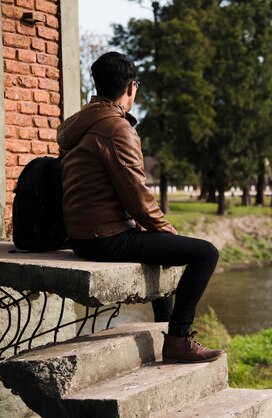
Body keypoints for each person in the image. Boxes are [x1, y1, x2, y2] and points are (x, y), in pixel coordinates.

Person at [57, 51, 224, 363]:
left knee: (157, 244)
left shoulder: (79, 125)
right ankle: (178, 339)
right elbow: (138, 196)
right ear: (131, 87)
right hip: (104, 239)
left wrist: (158, 233)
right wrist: (169, 232)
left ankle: (165, 327)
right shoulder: (117, 129)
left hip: (80, 236)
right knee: (205, 254)